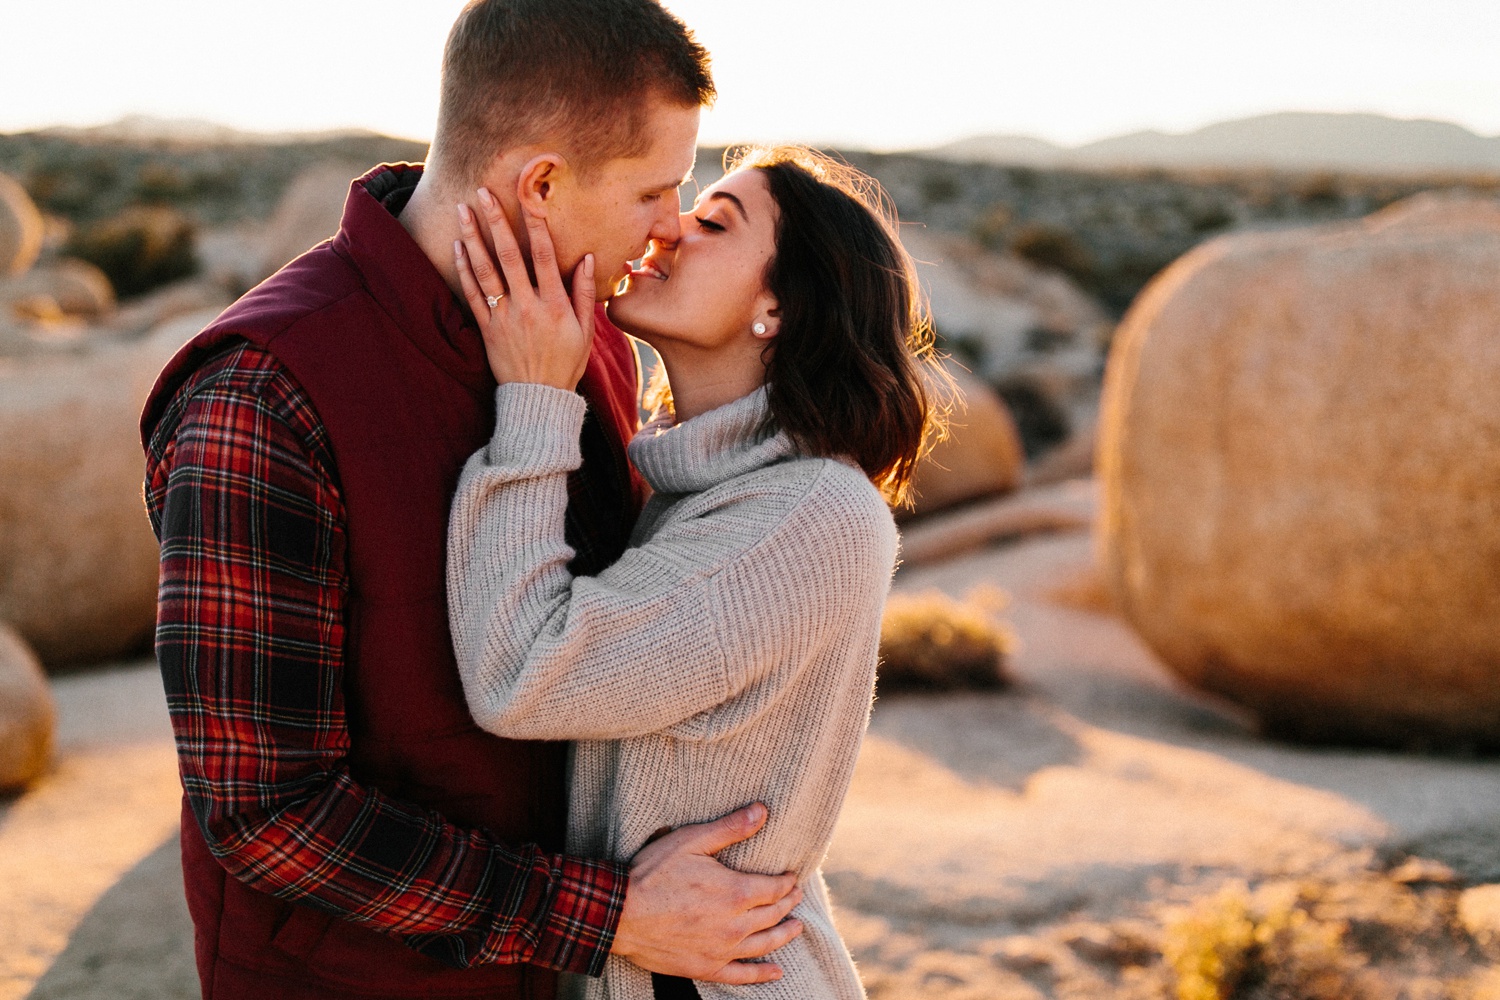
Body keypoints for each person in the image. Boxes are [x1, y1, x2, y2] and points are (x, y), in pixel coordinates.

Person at [138, 3, 805, 998]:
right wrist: (607, 913)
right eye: (654, 191)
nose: (671, 227)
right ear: (542, 183)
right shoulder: (263, 396)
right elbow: (268, 812)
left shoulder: (594, 337)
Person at [445, 145, 949, 1000]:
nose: (671, 226)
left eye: (715, 222)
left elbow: (521, 674)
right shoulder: (708, 491)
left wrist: (534, 397)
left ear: (777, 306)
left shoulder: (808, 514)